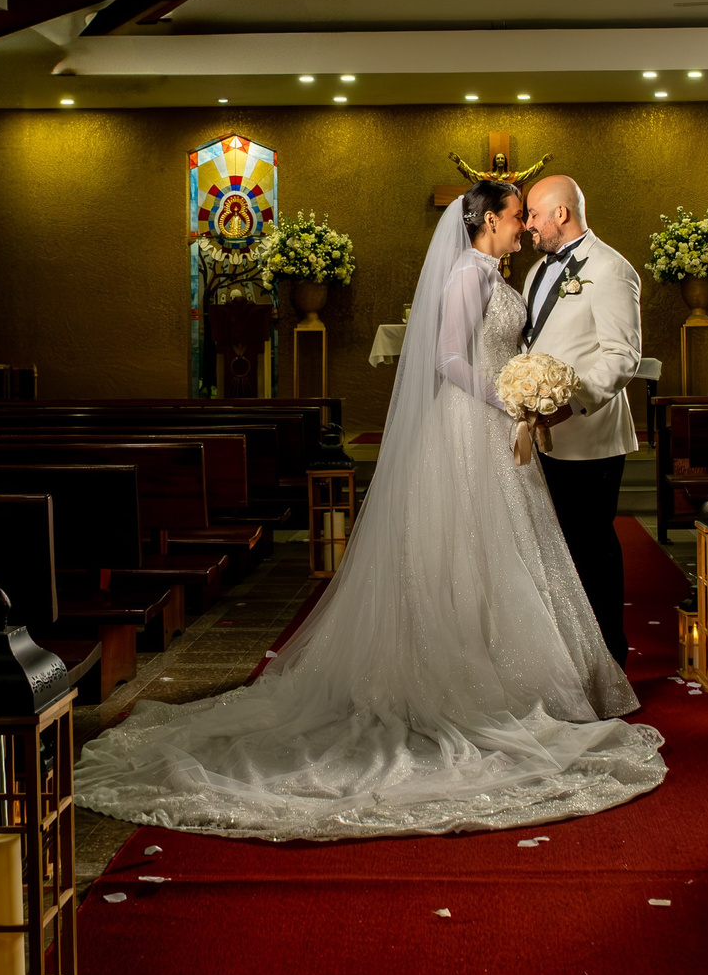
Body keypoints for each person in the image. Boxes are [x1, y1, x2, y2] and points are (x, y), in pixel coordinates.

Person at [76, 181, 666, 839]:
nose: (524, 227)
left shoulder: (524, 273)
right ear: (489, 220)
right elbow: (448, 358)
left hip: (520, 432)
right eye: (514, 216)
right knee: (471, 548)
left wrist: (531, 395)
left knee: (514, 551)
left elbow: (565, 348)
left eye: (530, 216)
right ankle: (478, 678)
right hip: (478, 427)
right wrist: (508, 398)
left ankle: (529, 669)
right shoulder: (473, 277)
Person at [518, 174, 644, 667]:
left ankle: (609, 658)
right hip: (541, 437)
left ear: (561, 215)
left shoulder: (612, 269)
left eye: (532, 214)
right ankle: (567, 656)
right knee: (552, 551)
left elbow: (622, 356)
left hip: (589, 438)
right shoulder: (534, 273)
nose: (527, 225)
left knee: (591, 549)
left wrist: (571, 402)